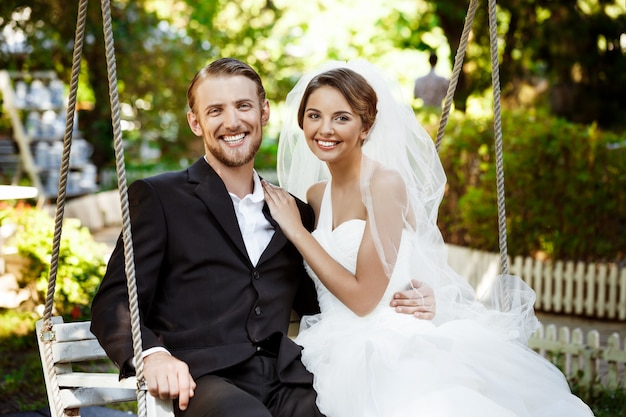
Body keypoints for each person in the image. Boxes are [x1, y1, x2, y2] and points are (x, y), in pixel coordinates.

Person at [90, 57, 435, 417]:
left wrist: (407, 297)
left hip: (285, 379)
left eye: (243, 106)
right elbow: (114, 300)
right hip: (204, 380)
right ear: (195, 122)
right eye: (215, 111)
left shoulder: (295, 214)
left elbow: (323, 295)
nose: (233, 121)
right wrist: (153, 355)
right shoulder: (161, 198)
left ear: (264, 112)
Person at [263, 60, 595, 416]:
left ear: (366, 126)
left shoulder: (384, 185)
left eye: (341, 117)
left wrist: (297, 231)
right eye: (314, 115)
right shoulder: (315, 195)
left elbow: (363, 299)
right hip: (328, 343)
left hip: (385, 346)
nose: (325, 128)